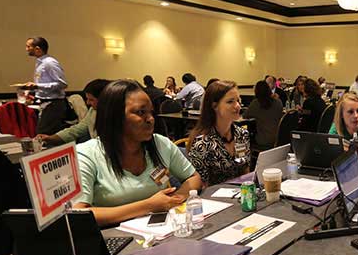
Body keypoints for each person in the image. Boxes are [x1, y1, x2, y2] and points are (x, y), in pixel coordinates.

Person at [73, 80, 201, 226]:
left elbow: (193, 177)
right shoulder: (86, 154)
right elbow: (79, 213)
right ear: (114, 116)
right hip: (113, 239)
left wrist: (174, 200)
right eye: (140, 112)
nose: (150, 119)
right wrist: (148, 206)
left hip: (160, 232)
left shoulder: (160, 144)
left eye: (151, 112)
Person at [188, 80, 251, 186]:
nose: (238, 106)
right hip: (214, 199)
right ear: (214, 106)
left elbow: (245, 172)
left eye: (238, 101)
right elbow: (202, 186)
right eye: (230, 101)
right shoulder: (202, 144)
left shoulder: (242, 134)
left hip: (241, 194)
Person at [36, 79, 110, 146]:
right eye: (87, 99)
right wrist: (51, 138)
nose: (87, 103)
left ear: (103, 98)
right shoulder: (93, 111)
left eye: (91, 100)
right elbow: (77, 130)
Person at [24, 37, 75, 135]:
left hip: (54, 104)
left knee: (43, 134)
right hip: (47, 103)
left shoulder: (49, 63)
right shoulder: (40, 62)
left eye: (28, 46)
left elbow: (62, 83)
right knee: (45, 133)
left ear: (37, 49)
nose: (26, 49)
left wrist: (37, 86)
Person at [245, 80, 283, 150]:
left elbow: (245, 116)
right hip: (279, 138)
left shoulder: (256, 103)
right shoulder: (278, 102)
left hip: (263, 140)